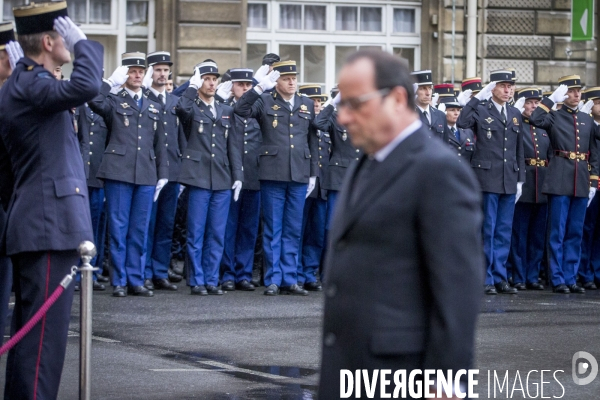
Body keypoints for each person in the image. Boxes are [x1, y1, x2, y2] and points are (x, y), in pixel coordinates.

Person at [319, 49, 483, 398]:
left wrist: (448, 378)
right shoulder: (367, 160)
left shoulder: (438, 169)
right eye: (341, 105)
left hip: (400, 374)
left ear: (395, 98)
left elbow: (457, 287)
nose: (343, 117)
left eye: (354, 103)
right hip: (353, 367)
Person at [0, 3, 103, 397]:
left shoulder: (24, 83)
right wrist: (86, 47)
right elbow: (87, 87)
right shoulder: (31, 82)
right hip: (49, 224)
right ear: (48, 41)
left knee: (34, 341)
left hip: (40, 219)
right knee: (43, 344)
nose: (70, 40)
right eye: (65, 34)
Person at [234, 60, 319, 296]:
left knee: (293, 228)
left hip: (299, 172)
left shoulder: (306, 104)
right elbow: (240, 110)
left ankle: (289, 278)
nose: (292, 82)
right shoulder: (264, 101)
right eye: (286, 78)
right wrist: (259, 87)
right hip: (272, 172)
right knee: (273, 228)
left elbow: (312, 139)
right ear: (277, 81)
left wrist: (313, 171)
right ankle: (273, 278)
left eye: (294, 78)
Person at [89, 52, 169, 297]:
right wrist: (108, 83)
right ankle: (119, 281)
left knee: (139, 229)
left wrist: (163, 173)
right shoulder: (113, 100)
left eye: (140, 71)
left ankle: (135, 279)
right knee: (118, 228)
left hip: (145, 172)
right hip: (119, 171)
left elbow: (159, 143)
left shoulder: (153, 105)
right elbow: (93, 101)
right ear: (124, 74)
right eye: (132, 71)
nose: (136, 75)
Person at [176, 60, 243, 296]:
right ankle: (196, 280)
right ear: (199, 81)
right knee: (196, 232)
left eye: (214, 79)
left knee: (217, 232)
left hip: (222, 177)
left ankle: (212, 279)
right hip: (198, 177)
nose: (211, 83)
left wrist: (238, 175)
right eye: (206, 78)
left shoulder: (225, 110)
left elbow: (233, 145)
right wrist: (191, 87)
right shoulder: (192, 106)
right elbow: (181, 109)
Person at [457, 70, 525, 295]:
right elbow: (462, 121)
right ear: (493, 88)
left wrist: (520, 179)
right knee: (487, 229)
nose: (508, 90)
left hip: (508, 178)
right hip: (486, 178)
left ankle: (500, 277)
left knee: (504, 231)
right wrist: (477, 98)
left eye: (511, 86)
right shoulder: (481, 109)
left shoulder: (514, 113)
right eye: (503, 86)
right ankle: (485, 278)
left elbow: (518, 149)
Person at [530, 76, 599, 294]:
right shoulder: (554, 117)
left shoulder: (587, 120)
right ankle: (558, 278)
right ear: (563, 93)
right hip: (559, 177)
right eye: (571, 91)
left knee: (575, 232)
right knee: (557, 232)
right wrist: (550, 100)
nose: (576, 95)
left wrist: (593, 181)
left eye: (579, 91)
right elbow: (535, 119)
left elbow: (594, 152)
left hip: (580, 180)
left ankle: (571, 276)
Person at [143, 51, 183, 291]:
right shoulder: (144, 98)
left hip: (173, 170)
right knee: (147, 224)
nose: (162, 74)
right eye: (157, 69)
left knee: (166, 224)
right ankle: (144, 271)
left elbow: (181, 140)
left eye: (165, 70)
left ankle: (159, 271)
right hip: (150, 170)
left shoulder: (174, 102)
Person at [219, 68, 262, 292]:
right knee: (229, 227)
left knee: (248, 228)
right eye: (240, 85)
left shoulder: (259, 112)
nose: (245, 88)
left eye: (248, 85)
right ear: (231, 87)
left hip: (254, 178)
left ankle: (243, 273)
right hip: (230, 178)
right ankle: (227, 273)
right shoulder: (226, 111)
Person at [507, 88, 551, 291]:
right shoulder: (517, 125)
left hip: (542, 185)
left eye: (536, 103)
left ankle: (533, 276)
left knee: (537, 235)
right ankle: (518, 276)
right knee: (519, 234)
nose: (534, 106)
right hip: (524, 185)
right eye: (530, 102)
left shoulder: (543, 127)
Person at [296, 84, 328, 291]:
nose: (317, 105)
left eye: (320, 102)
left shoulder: (325, 126)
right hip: (301, 183)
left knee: (316, 233)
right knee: (297, 231)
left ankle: (309, 273)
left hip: (321, 186)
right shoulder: (299, 125)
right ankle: (296, 273)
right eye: (313, 101)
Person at [75, 100, 109, 290]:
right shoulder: (77, 106)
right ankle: (76, 273)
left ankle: (91, 272)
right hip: (79, 175)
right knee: (78, 226)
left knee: (95, 226)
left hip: (97, 174)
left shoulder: (104, 106)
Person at [579, 87, 600, 289]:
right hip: (589, 183)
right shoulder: (584, 125)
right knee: (587, 229)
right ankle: (584, 272)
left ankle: (597, 270)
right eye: (598, 102)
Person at [439, 96, 475, 163]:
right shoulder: (439, 133)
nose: (456, 113)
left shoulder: (468, 133)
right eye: (452, 110)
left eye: (458, 110)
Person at [412, 70, 445, 139]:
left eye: (430, 88)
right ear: (414, 91)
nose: (428, 93)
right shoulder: (410, 115)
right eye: (423, 88)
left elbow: (445, 145)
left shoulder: (440, 115)